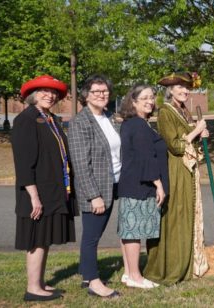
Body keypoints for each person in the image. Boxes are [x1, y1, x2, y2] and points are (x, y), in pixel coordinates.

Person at [11, 75, 76, 301]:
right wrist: (34, 197)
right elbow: (24, 162)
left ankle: (39, 283)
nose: (49, 95)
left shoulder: (50, 118)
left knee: (45, 238)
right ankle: (32, 288)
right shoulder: (26, 119)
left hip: (52, 190)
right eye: (43, 91)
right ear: (33, 95)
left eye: (52, 92)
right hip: (35, 192)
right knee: (36, 239)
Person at [144, 72, 209, 285]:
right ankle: (171, 266)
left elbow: (188, 141)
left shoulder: (182, 111)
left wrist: (200, 135)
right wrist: (195, 132)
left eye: (187, 87)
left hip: (186, 171)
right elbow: (176, 145)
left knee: (186, 215)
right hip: (174, 171)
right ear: (170, 90)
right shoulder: (165, 112)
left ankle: (188, 262)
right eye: (180, 87)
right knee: (175, 217)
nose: (185, 90)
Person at [69, 75, 121, 298]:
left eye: (105, 91)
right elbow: (80, 164)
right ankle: (94, 283)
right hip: (97, 189)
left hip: (116, 182)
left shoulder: (110, 117)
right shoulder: (80, 123)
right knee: (92, 236)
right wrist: (93, 196)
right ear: (86, 96)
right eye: (96, 91)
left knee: (95, 234)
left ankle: (86, 273)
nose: (101, 94)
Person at [117, 85, 168, 289]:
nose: (150, 101)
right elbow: (144, 157)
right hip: (139, 185)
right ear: (133, 102)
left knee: (129, 230)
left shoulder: (138, 123)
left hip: (133, 183)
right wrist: (158, 184)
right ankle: (136, 277)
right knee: (133, 230)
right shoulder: (137, 125)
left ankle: (129, 273)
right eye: (144, 98)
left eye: (152, 97)